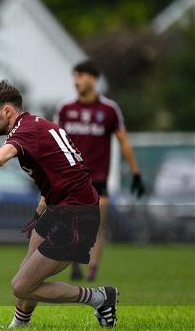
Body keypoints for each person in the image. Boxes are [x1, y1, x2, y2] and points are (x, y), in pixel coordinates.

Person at [0, 80, 119, 328]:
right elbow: (62, 174)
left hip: (76, 215)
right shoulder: (34, 126)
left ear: (6, 111)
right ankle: (21, 323)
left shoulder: (26, 131)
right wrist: (39, 214)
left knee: (22, 285)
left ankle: (100, 298)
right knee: (28, 271)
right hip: (60, 209)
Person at [54, 60, 145, 281]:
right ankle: (75, 265)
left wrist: (136, 173)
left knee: (96, 225)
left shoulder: (109, 109)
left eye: (81, 76)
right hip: (71, 177)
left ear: (93, 79)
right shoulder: (66, 109)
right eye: (75, 76)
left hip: (98, 178)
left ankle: (92, 271)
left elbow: (123, 141)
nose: (77, 81)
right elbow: (54, 141)